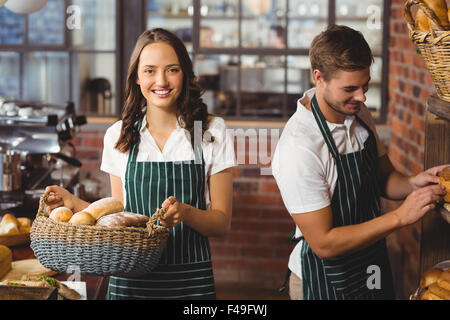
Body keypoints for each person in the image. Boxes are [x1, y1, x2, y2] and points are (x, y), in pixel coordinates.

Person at [43, 28, 236, 300]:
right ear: (136, 76)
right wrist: (74, 205)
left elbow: (222, 225)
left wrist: (186, 213)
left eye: (172, 70)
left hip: (190, 283)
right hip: (130, 282)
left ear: (185, 73)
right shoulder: (120, 135)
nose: (161, 81)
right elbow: (117, 218)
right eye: (149, 71)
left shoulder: (207, 131)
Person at [272, 25, 448, 300]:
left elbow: (383, 177)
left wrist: (414, 183)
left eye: (365, 85)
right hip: (325, 278)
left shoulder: (357, 112)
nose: (362, 97)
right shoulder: (299, 146)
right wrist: (400, 217)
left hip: (371, 266)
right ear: (319, 78)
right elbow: (324, 243)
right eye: (350, 88)